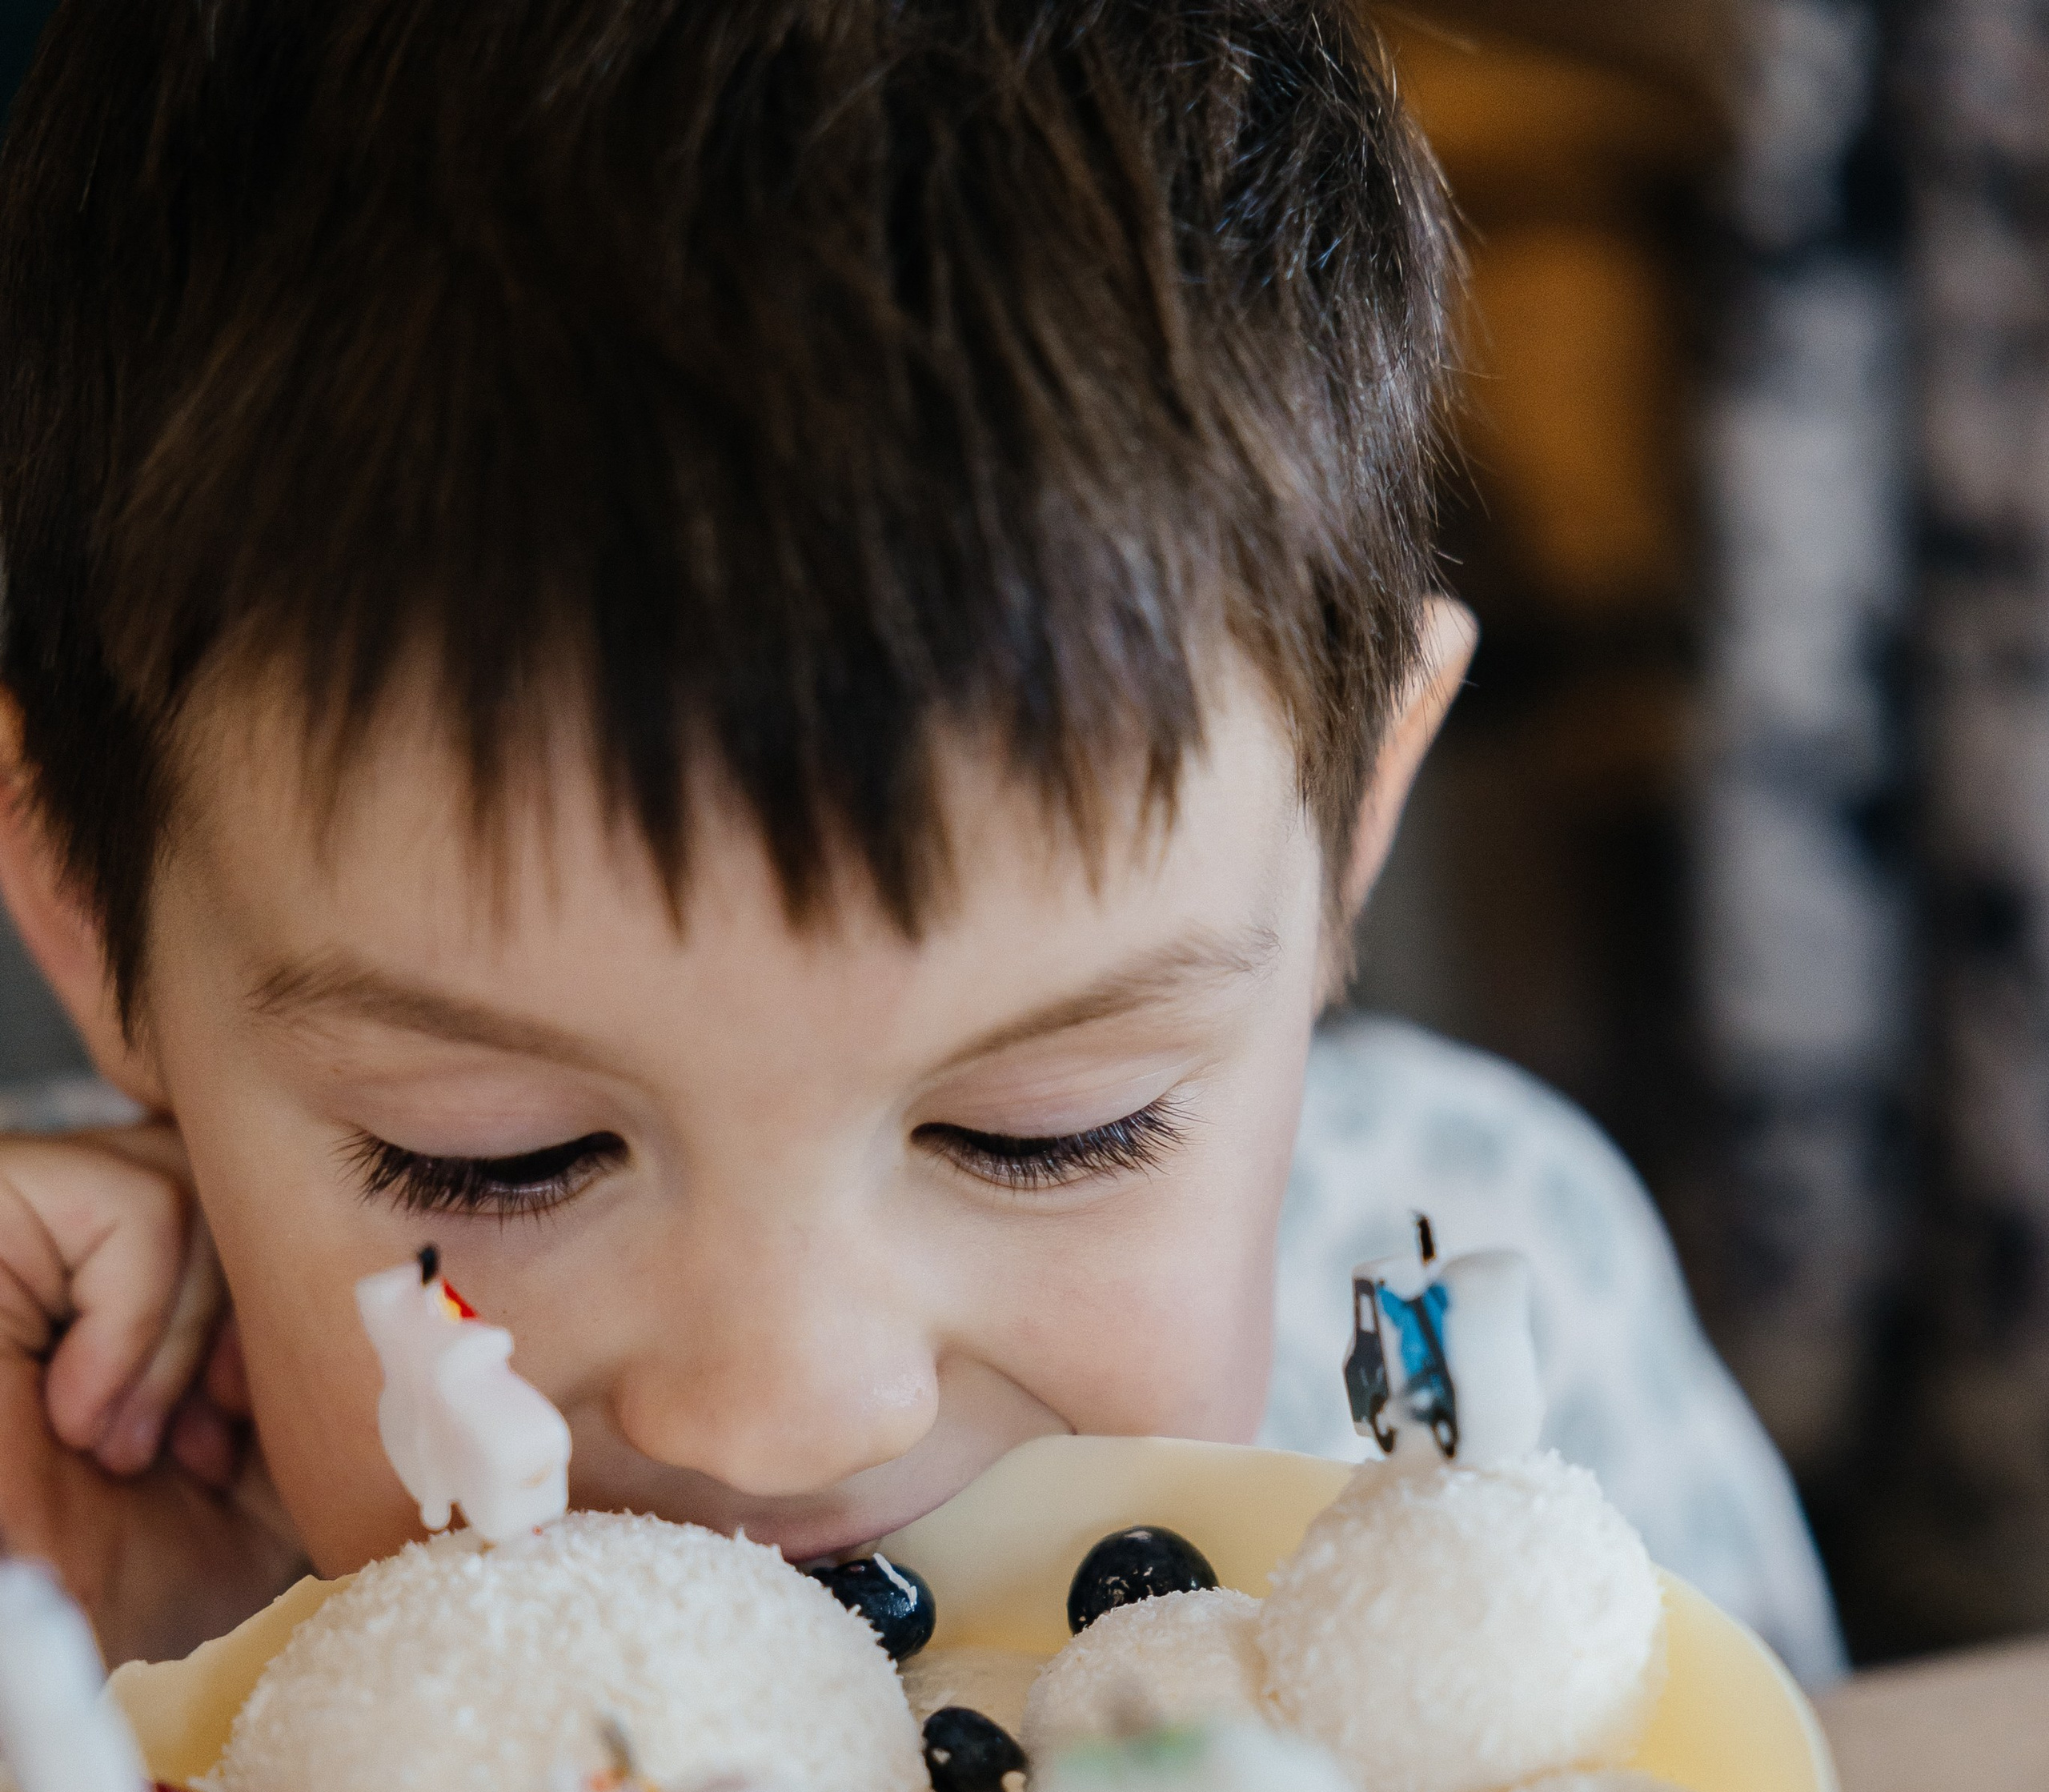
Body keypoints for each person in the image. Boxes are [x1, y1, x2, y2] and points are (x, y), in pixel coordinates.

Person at [0, 0, 1842, 1683]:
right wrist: (147, 1689)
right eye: (497, 1157)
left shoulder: (1508, 1292)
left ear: (1349, 828)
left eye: (1049, 1128)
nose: (788, 1414)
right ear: (82, 904)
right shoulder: (68, 1424)